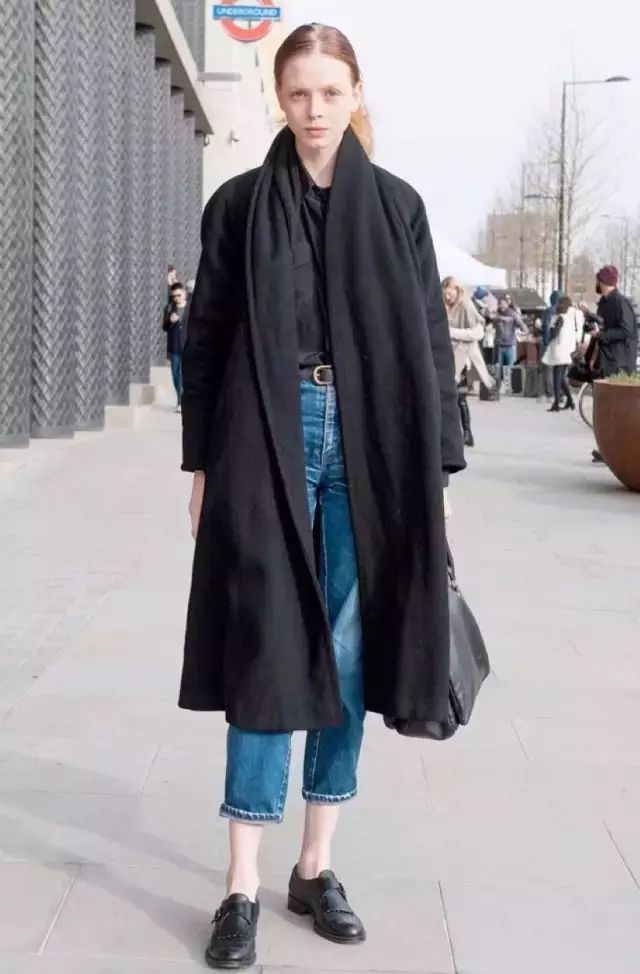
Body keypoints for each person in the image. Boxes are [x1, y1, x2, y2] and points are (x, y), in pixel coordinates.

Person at [179, 22, 465, 970]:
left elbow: (429, 348)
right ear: (280, 96)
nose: (313, 111)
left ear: (356, 94)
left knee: (347, 648)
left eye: (329, 93)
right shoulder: (238, 207)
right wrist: (200, 466)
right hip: (266, 431)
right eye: (298, 93)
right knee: (265, 636)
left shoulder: (398, 209)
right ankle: (239, 884)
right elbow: (206, 342)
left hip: (374, 443)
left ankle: (315, 865)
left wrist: (439, 477)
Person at [442, 276, 495, 446]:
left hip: (462, 358)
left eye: (449, 294)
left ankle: (466, 433)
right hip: (445, 357)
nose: (447, 297)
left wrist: (453, 332)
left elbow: (477, 332)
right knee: (446, 396)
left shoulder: (466, 305)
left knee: (459, 396)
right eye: (445, 294)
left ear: (457, 291)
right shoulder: (442, 306)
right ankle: (452, 432)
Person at [542, 296, 581, 411]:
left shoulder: (559, 318)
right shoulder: (570, 318)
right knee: (561, 377)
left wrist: (547, 338)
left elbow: (554, 333)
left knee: (557, 375)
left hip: (558, 350)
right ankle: (570, 401)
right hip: (567, 350)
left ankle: (556, 403)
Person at [163, 281, 188, 411]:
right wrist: (170, 321)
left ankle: (182, 401)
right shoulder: (169, 308)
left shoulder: (191, 307)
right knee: (175, 374)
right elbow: (164, 327)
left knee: (184, 375)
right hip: (174, 347)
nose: (176, 298)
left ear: (184, 293)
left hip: (188, 346)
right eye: (174, 296)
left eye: (179, 295)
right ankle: (180, 398)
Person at [493, 297, 523, 369]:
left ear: (507, 304)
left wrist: (525, 330)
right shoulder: (496, 314)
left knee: (510, 369)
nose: (502, 305)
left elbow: (520, 323)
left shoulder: (512, 313)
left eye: (504, 303)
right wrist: (503, 318)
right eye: (500, 304)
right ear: (498, 305)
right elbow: (492, 316)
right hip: (500, 346)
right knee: (499, 369)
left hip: (510, 346)